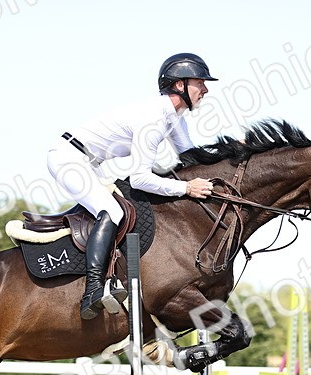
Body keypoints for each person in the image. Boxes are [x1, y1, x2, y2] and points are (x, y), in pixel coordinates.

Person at [47, 53, 218, 320]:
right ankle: (93, 290)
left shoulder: (174, 118)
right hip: (68, 158)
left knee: (116, 209)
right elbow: (139, 179)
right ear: (179, 85)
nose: (206, 89)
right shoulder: (154, 118)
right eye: (200, 82)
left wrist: (230, 156)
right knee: (113, 211)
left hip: (89, 162)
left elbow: (192, 160)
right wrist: (186, 189)